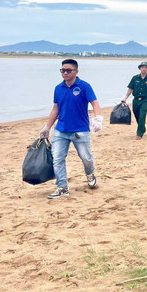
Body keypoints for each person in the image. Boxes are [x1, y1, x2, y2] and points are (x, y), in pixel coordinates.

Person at [38, 58, 102, 199]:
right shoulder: (58, 88)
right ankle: (62, 187)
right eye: (63, 70)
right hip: (61, 130)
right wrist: (47, 127)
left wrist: (97, 119)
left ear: (76, 71)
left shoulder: (84, 86)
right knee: (57, 158)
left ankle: (90, 173)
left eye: (68, 70)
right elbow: (55, 108)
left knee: (86, 158)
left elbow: (95, 103)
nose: (65, 73)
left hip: (80, 130)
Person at [120, 62, 147, 139]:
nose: (144, 69)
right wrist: (125, 98)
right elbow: (130, 89)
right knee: (137, 115)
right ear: (140, 68)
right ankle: (142, 128)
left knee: (142, 116)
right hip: (136, 100)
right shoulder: (135, 78)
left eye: (146, 67)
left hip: (145, 100)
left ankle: (139, 134)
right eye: (142, 67)